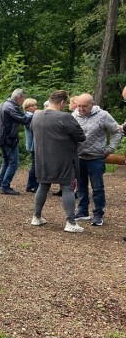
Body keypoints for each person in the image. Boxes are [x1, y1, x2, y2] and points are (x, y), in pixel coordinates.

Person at [31, 90, 86, 232]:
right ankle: (71, 223)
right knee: (67, 187)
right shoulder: (65, 117)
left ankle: (36, 217)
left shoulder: (36, 116)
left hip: (42, 159)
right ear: (62, 103)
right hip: (63, 159)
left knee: (43, 186)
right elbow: (81, 136)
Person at [72, 93, 122, 226]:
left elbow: (117, 131)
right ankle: (82, 211)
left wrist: (110, 149)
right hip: (79, 157)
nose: (81, 109)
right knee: (81, 187)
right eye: (79, 106)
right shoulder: (74, 115)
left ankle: (98, 213)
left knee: (98, 187)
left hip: (96, 158)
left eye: (84, 106)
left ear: (92, 105)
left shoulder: (103, 115)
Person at [0, 88, 32, 195]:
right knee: (13, 163)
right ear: (18, 98)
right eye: (23, 99)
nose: (23, 101)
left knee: (6, 161)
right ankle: (5, 186)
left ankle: (0, 184)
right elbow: (24, 120)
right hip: (9, 138)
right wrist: (31, 114)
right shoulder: (12, 106)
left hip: (0, 137)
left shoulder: (2, 104)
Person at [22, 98, 39, 193]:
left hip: (33, 143)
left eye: (35, 105)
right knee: (35, 165)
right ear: (27, 108)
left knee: (35, 164)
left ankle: (32, 184)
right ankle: (32, 185)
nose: (35, 107)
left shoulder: (31, 116)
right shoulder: (29, 117)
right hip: (33, 144)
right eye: (32, 106)